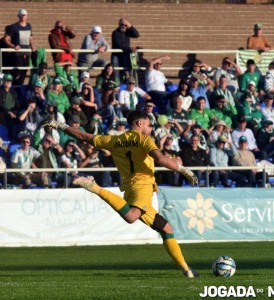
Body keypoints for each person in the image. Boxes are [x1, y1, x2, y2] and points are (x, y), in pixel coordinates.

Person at [44, 110, 199, 278]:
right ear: (140, 124)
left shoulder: (115, 140)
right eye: (148, 125)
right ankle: (94, 187)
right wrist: (185, 170)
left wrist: (61, 125)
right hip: (143, 186)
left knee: (167, 229)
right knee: (131, 216)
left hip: (130, 188)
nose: (150, 128)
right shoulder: (143, 139)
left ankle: (187, 270)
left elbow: (84, 137)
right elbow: (160, 159)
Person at [4, 9, 36, 85]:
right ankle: (10, 86)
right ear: (18, 16)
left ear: (27, 16)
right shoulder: (14, 27)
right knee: (16, 72)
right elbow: (6, 39)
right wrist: (13, 46)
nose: (23, 16)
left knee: (24, 73)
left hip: (26, 53)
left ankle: (19, 88)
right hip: (18, 54)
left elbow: (30, 38)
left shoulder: (29, 26)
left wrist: (33, 46)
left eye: (24, 15)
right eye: (21, 15)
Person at [0, 73, 19, 139]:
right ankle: (9, 137)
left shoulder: (13, 91)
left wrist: (16, 111)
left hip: (13, 112)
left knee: (21, 117)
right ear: (3, 81)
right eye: (7, 80)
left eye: (10, 81)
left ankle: (19, 137)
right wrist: (8, 112)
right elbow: (0, 105)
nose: (8, 82)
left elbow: (17, 103)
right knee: (7, 118)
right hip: (3, 112)